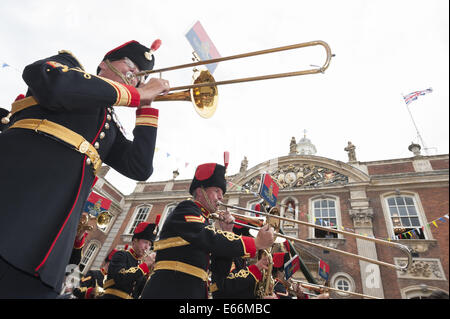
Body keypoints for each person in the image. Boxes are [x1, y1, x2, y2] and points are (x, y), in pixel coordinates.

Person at [0, 39, 170, 298]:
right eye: (132, 68)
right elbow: (52, 83)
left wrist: (146, 106)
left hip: (49, 245)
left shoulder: (109, 123)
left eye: (141, 77)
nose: (135, 79)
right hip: (16, 205)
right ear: (104, 64)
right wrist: (135, 94)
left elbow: (140, 167)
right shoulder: (67, 67)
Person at [140, 162, 275, 299]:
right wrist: (255, 242)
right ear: (200, 191)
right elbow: (208, 237)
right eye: (217, 191)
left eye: (222, 193)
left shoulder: (204, 219)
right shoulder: (186, 208)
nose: (221, 197)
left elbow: (219, 273)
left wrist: (227, 232)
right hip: (169, 290)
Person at [210, 219, 270, 299]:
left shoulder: (236, 253)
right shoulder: (225, 251)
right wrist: (256, 268)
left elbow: (241, 289)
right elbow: (228, 285)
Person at [100, 221, 157, 299]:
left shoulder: (142, 266)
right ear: (134, 242)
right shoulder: (121, 255)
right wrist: (145, 265)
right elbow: (120, 278)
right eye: (145, 242)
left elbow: (141, 293)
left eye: (150, 245)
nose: (147, 247)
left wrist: (150, 274)